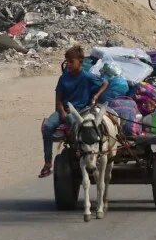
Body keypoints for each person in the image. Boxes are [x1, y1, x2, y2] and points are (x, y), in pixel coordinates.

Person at [38, 45, 106, 179]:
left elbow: (105, 83)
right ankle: (47, 163)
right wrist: (62, 112)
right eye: (67, 61)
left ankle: (80, 153)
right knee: (47, 127)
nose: (68, 64)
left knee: (73, 122)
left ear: (80, 62)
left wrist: (96, 95)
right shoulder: (63, 78)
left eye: (71, 61)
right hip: (62, 110)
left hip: (80, 111)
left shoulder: (87, 76)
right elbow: (58, 100)